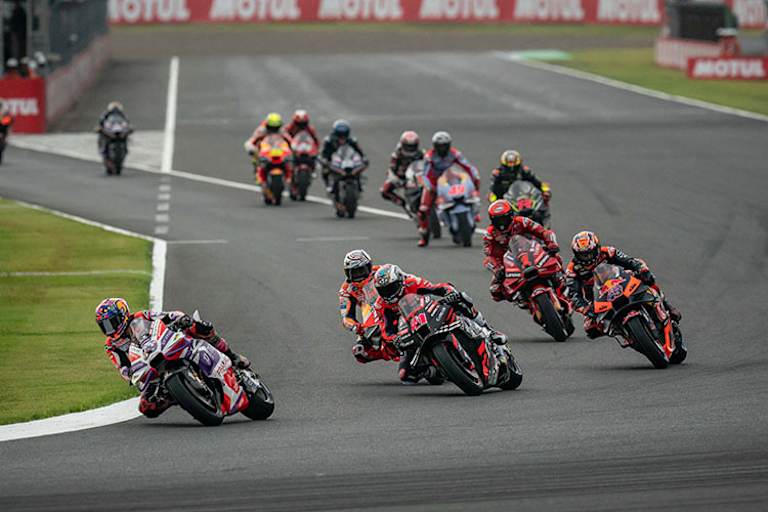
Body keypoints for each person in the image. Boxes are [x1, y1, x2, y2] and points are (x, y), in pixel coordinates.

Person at [95, 298, 250, 418]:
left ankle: (232, 355)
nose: (110, 328)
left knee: (201, 327)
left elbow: (166, 316)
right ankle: (177, 395)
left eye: (112, 322)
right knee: (146, 408)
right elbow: (121, 367)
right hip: (148, 368)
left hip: (166, 344)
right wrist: (129, 373)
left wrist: (180, 319)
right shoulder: (111, 345)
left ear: (122, 315)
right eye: (105, 326)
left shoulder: (141, 317)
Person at [372, 264, 506, 383]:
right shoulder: (380, 305)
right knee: (405, 375)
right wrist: (394, 339)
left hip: (428, 313)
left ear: (400, 280)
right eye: (384, 290)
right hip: (409, 330)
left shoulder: (412, 282)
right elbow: (386, 329)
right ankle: (435, 371)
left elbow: (436, 288)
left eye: (391, 287)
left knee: (460, 300)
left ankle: (488, 329)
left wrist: (449, 292)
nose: (389, 293)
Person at [565, 231, 681, 338]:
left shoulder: (608, 252)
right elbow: (573, 295)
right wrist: (586, 309)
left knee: (647, 279)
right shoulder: (572, 270)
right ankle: (624, 333)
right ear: (575, 254)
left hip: (621, 282)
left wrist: (642, 269)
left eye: (589, 253)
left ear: (597, 248)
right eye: (583, 255)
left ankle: (667, 306)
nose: (587, 258)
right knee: (590, 329)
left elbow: (630, 261)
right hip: (598, 299)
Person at [482, 199, 565, 302]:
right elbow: (488, 256)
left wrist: (551, 244)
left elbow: (543, 232)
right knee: (495, 290)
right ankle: (521, 299)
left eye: (504, 219)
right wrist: (497, 269)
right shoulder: (490, 233)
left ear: (511, 215)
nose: (501, 223)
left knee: (556, 257)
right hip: (509, 262)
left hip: (532, 251)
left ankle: (562, 282)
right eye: (498, 220)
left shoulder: (522, 221)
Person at [417, 131, 480, 247]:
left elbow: (467, 166)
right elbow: (425, 174)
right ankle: (424, 235)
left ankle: (474, 214)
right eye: (439, 146)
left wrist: (474, 177)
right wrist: (429, 186)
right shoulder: (429, 157)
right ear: (435, 146)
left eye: (444, 145)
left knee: (472, 189)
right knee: (423, 209)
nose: (442, 148)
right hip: (434, 182)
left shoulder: (455, 154)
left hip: (450, 178)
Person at [338, 250, 397, 364]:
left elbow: (402, 279)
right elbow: (346, 317)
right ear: (347, 273)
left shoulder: (381, 271)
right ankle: (387, 351)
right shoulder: (346, 290)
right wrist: (357, 327)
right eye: (354, 272)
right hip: (372, 316)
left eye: (362, 270)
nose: (359, 275)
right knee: (360, 352)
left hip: (392, 304)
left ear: (369, 266)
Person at [243, 112, 293, 188]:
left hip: (278, 151)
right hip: (264, 151)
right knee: (256, 159)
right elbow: (251, 141)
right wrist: (251, 149)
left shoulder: (282, 131)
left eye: (276, 128)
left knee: (290, 161)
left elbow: (290, 141)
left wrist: (294, 148)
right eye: (271, 127)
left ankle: (290, 178)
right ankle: (258, 173)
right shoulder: (261, 130)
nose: (274, 130)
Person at [319, 119, 367, 192]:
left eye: (344, 135)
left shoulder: (352, 140)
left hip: (347, 159)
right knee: (325, 169)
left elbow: (359, 151)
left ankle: (359, 184)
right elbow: (323, 152)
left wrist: (363, 158)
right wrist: (324, 159)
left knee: (359, 166)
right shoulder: (328, 141)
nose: (342, 138)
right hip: (333, 161)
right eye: (340, 135)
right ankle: (328, 184)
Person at [380, 131, 424, 210]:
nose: (410, 149)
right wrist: (399, 179)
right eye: (408, 146)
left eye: (413, 146)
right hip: (402, 177)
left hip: (418, 177)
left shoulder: (421, 154)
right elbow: (392, 169)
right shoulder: (396, 155)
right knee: (384, 191)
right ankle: (403, 203)